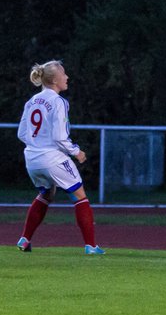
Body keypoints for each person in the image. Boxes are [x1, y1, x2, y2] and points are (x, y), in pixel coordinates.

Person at [15, 60, 103, 254]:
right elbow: (59, 137)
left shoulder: (32, 101)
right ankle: (91, 246)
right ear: (54, 80)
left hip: (32, 158)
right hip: (51, 157)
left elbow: (22, 133)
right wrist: (76, 152)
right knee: (80, 196)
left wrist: (37, 143)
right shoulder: (58, 101)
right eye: (64, 74)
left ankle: (25, 239)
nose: (67, 77)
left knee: (46, 193)